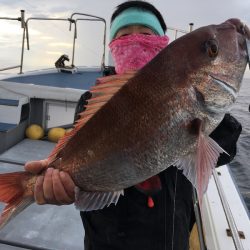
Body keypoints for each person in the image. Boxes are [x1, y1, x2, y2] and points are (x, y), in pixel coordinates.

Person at [25, 1, 242, 249]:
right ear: (113, 45)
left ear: (164, 45)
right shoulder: (93, 99)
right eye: (124, 34)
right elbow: (79, 151)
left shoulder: (188, 96)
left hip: (169, 236)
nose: (135, 39)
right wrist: (59, 181)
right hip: (106, 238)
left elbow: (223, 152)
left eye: (146, 33)